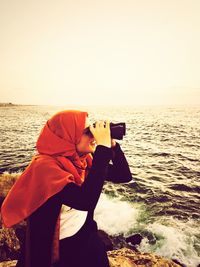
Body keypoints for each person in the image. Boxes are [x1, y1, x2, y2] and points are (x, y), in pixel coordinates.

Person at [0, 110, 133, 267]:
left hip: (85, 235)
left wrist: (113, 146)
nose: (93, 136)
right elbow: (85, 201)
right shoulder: (44, 168)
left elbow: (123, 175)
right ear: (67, 137)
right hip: (59, 249)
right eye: (87, 132)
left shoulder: (82, 161)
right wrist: (102, 150)